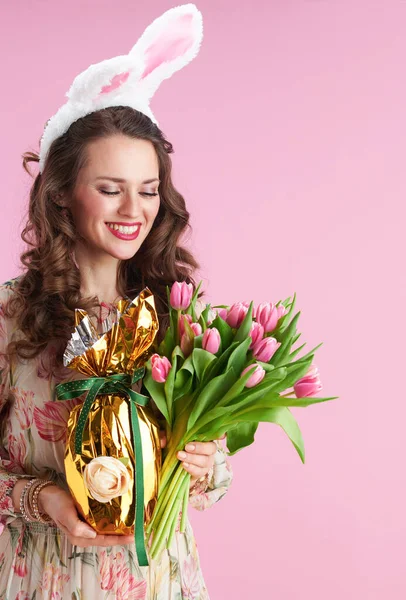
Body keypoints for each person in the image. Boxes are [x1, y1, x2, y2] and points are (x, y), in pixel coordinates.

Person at [0, 5, 233, 599]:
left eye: (148, 190)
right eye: (110, 189)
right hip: (41, 582)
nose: (134, 211)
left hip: (160, 583)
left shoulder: (181, 319)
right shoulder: (8, 318)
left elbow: (213, 480)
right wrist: (42, 498)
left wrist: (209, 461)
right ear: (62, 195)